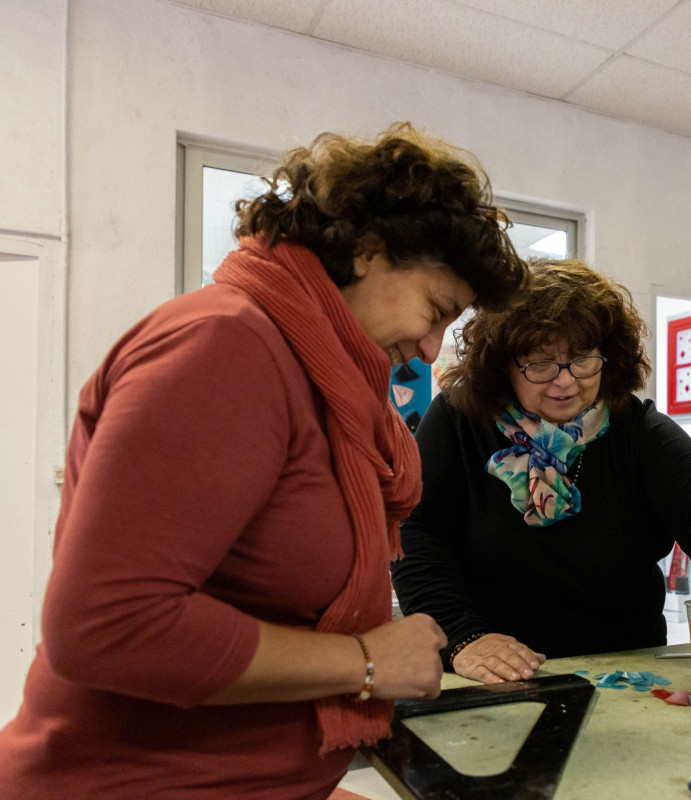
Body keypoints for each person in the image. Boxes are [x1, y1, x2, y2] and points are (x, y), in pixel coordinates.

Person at [0, 123, 528, 799]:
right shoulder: (226, 346)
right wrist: (364, 663)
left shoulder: (318, 377)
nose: (432, 349)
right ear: (369, 250)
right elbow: (106, 625)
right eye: (435, 310)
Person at [392, 259, 691, 709]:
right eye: (540, 363)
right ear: (503, 364)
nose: (565, 382)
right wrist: (463, 637)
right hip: (492, 680)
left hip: (624, 679)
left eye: (582, 359)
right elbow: (414, 531)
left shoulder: (634, 428)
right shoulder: (458, 423)